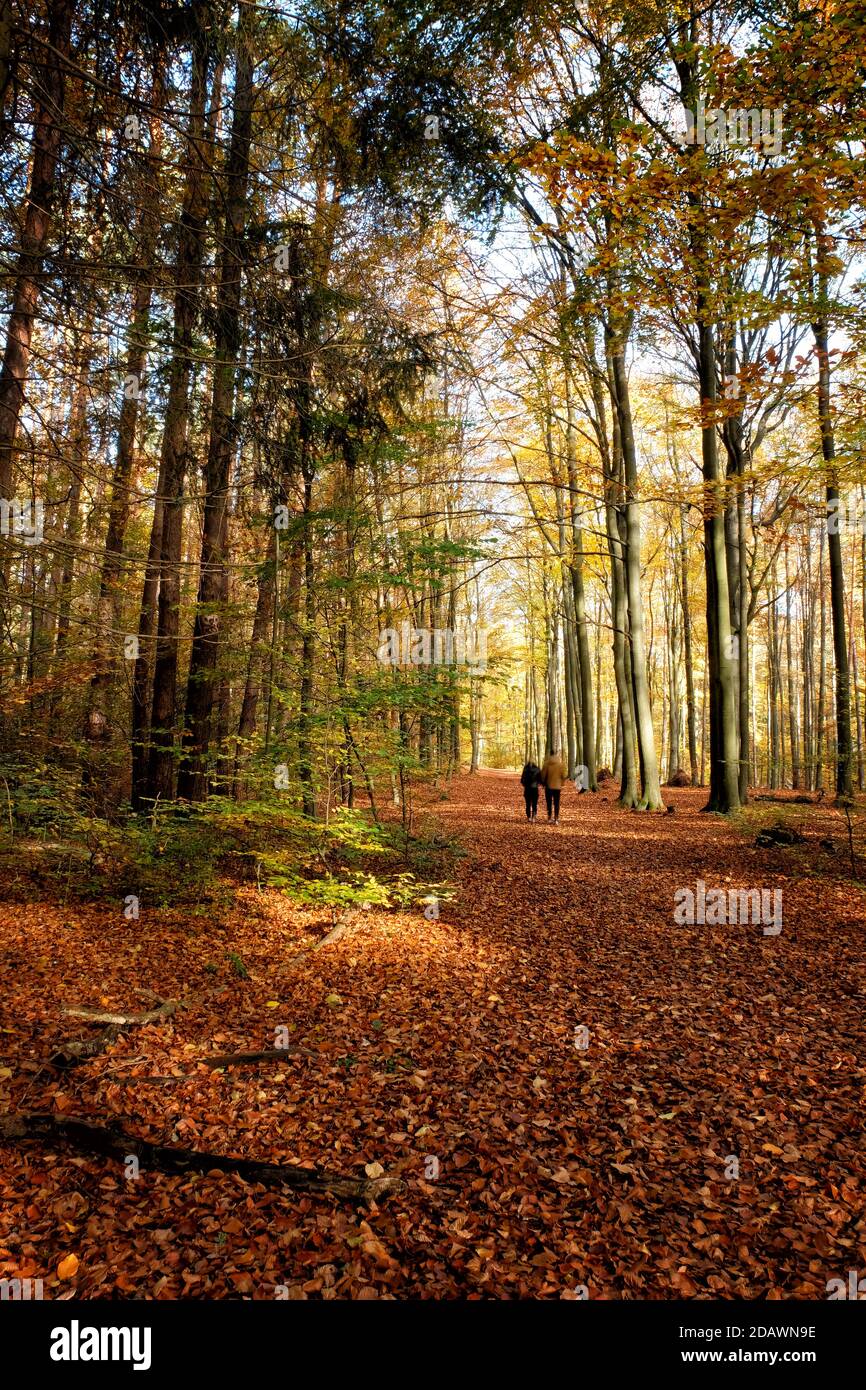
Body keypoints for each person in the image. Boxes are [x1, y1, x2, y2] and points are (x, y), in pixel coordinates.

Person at [540, 748, 566, 823]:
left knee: (549, 802)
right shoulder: (560, 764)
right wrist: (562, 783)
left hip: (548, 786)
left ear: (550, 754)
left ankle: (549, 817)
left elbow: (543, 775)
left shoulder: (546, 763)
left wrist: (543, 783)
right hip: (557, 787)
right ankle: (556, 818)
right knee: (556, 802)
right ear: (555, 754)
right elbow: (563, 775)